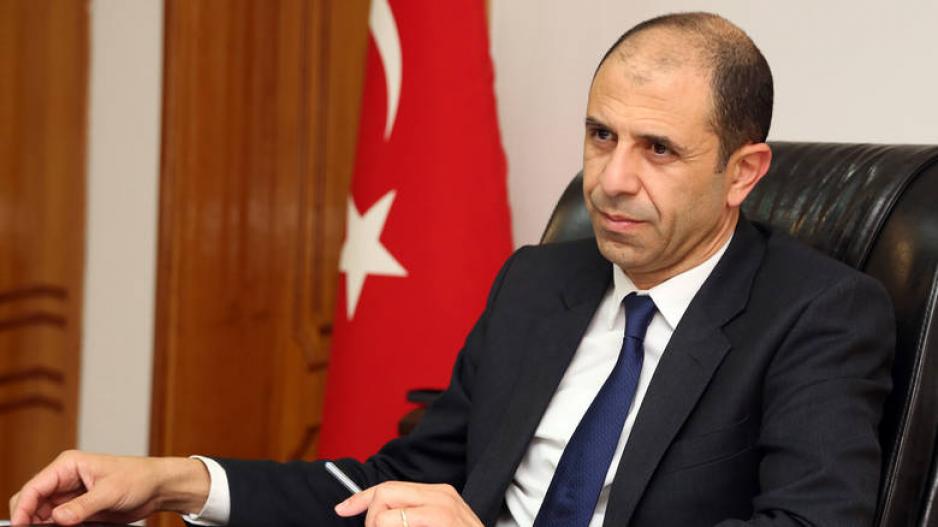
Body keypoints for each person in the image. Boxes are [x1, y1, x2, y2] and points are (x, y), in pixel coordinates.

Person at [9, 12, 894, 527]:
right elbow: (391, 482)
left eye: (657, 148)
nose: (611, 180)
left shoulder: (819, 313)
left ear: (743, 172)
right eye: (601, 135)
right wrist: (175, 480)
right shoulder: (538, 285)